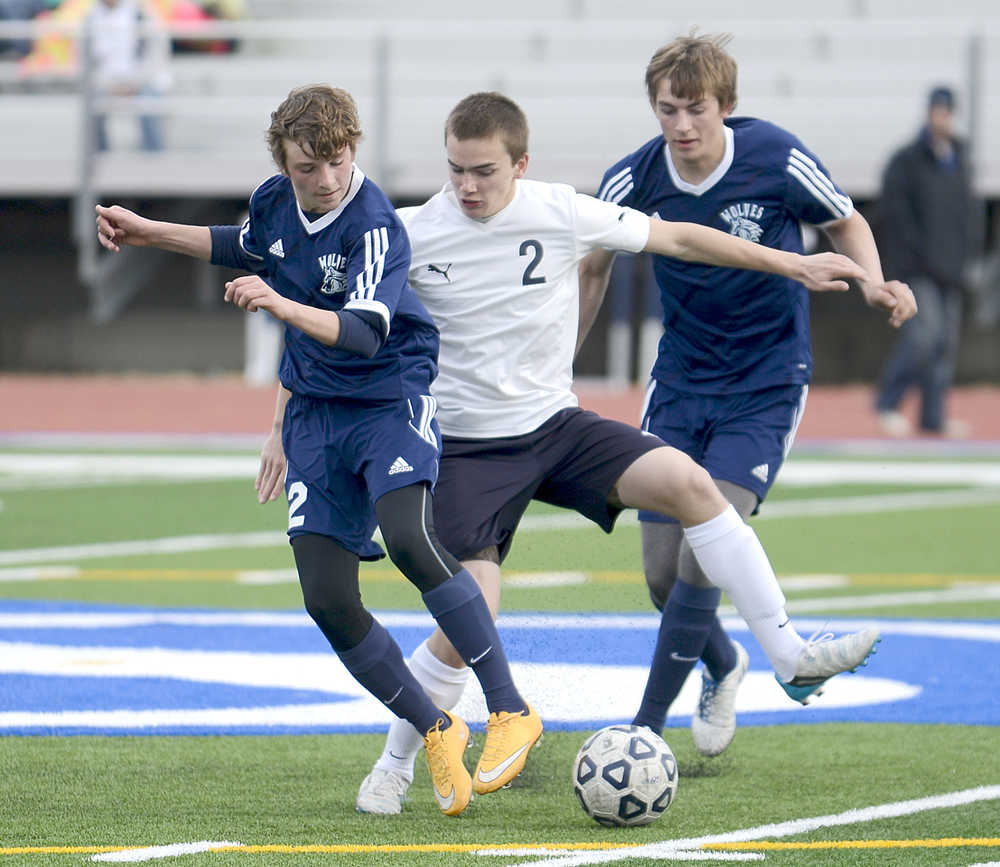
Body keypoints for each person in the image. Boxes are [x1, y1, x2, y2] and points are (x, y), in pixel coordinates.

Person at [249, 91, 885, 815]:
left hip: (554, 427)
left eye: (484, 170)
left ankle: (791, 655)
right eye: (456, 169)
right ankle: (397, 762)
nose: (467, 186)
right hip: (463, 448)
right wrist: (281, 423)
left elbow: (678, 237)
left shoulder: (560, 210)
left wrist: (793, 265)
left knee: (689, 483)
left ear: (521, 164)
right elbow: (324, 331)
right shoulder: (407, 232)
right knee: (471, 614)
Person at [94, 84, 544, 819]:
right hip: (315, 416)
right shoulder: (276, 199)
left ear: (353, 150)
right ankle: (436, 727)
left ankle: (510, 707)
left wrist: (279, 304)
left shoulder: (373, 225)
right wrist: (147, 230)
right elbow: (236, 245)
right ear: (285, 163)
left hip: (388, 400)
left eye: (336, 161)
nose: (326, 179)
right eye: (309, 168)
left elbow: (364, 332)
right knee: (327, 598)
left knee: (409, 536)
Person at [581, 34, 917, 759]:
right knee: (661, 575)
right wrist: (563, 361)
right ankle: (726, 663)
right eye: (667, 110)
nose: (681, 125)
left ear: (725, 107)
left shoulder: (774, 156)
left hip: (764, 381)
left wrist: (873, 279)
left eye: (695, 108)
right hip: (679, 383)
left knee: (707, 554)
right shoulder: (632, 178)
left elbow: (845, 219)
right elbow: (592, 266)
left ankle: (644, 731)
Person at [874, 85, 982, 438]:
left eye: (947, 112)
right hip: (917, 270)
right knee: (923, 338)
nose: (942, 118)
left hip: (951, 269)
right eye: (937, 111)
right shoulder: (906, 160)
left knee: (944, 345)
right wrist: (907, 261)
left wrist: (968, 256)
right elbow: (896, 215)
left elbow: (968, 212)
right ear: (928, 113)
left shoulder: (960, 157)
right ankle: (887, 404)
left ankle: (932, 418)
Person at [87, 0, 170, 152]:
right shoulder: (91, 16)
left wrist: (135, 84)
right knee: (91, 104)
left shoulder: (141, 12)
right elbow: (88, 61)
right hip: (107, 83)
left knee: (148, 104)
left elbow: (156, 55)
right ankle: (98, 158)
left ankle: (155, 159)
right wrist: (109, 85)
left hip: (143, 82)